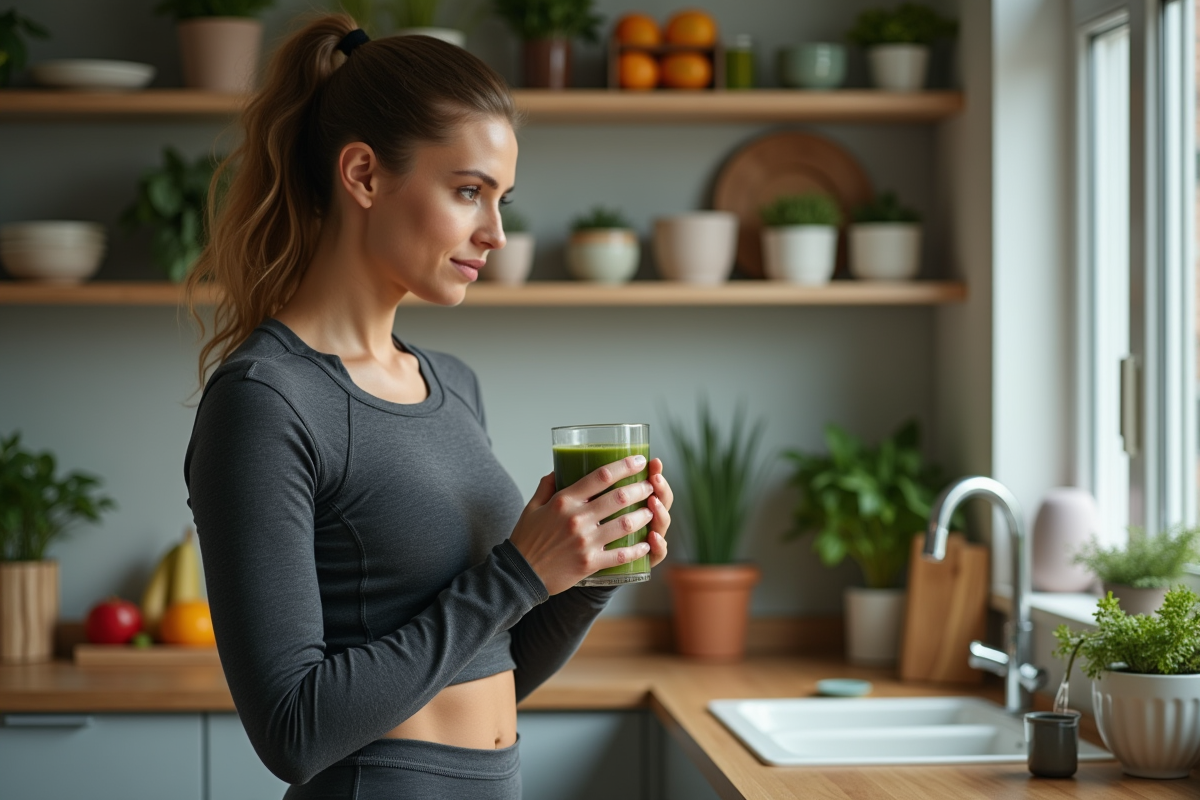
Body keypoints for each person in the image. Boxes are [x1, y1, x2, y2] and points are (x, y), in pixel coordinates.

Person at [182, 14, 674, 800]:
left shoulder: (452, 383)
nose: (496, 233)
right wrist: (519, 573)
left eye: (501, 199)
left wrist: (587, 570)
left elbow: (483, 671)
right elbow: (293, 732)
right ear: (364, 175)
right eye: (469, 191)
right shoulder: (267, 400)